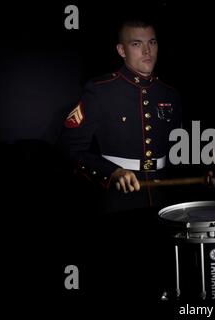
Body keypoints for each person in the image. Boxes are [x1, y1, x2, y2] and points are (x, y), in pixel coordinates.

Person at [60, 19, 185, 214]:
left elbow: (179, 149)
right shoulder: (100, 90)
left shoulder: (170, 94)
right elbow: (69, 148)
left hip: (165, 202)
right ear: (121, 50)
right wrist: (111, 172)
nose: (147, 51)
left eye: (152, 42)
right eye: (137, 44)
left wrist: (205, 169)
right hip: (119, 202)